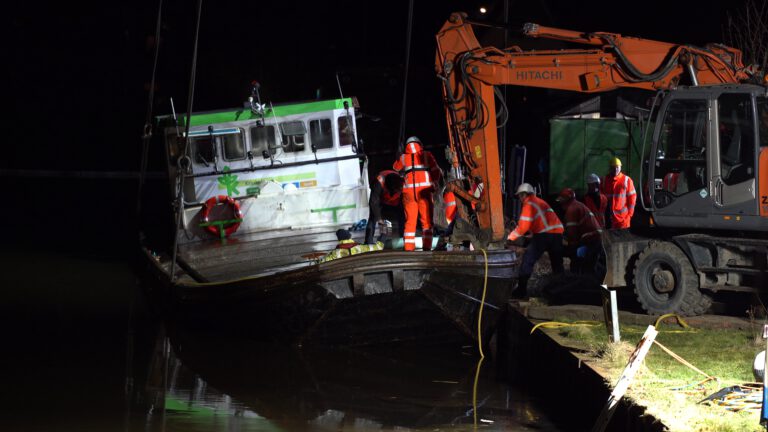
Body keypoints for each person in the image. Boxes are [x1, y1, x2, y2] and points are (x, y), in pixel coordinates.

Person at [507, 183, 564, 298]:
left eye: (519, 196)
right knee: (557, 264)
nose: (519, 199)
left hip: (544, 235)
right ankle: (562, 291)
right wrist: (533, 234)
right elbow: (541, 221)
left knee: (528, 259)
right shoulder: (540, 202)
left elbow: (522, 227)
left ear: (524, 195)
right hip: (557, 234)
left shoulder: (528, 204)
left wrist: (509, 238)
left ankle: (521, 291)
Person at [393, 136, 442, 251]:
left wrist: (398, 155)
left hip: (408, 193)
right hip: (424, 192)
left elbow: (395, 168)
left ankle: (409, 249)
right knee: (427, 223)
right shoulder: (426, 155)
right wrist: (434, 182)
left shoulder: (404, 157)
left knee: (410, 223)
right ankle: (427, 248)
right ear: (420, 144)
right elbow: (436, 171)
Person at [556, 187, 603, 276]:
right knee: (590, 267)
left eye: (561, 202)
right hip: (595, 239)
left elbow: (572, 235)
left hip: (591, 241)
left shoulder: (571, 210)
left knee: (582, 268)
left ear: (566, 201)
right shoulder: (577, 205)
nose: (560, 205)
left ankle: (585, 286)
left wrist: (567, 246)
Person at [364, 170, 404, 244]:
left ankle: (403, 238)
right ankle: (368, 242)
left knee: (403, 216)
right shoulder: (379, 182)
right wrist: (379, 218)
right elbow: (373, 202)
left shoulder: (401, 181)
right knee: (373, 218)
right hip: (380, 200)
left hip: (395, 202)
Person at [602, 157, 636, 230]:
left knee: (622, 240)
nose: (615, 169)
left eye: (617, 167)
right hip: (608, 218)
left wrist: (629, 215)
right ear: (610, 168)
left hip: (623, 219)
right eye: (613, 167)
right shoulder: (604, 180)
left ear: (620, 167)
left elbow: (632, 198)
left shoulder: (627, 180)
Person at [319, 229, 383, 263]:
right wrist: (381, 239)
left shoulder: (336, 252)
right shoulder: (360, 247)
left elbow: (323, 261)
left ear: (339, 239)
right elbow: (378, 247)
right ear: (349, 237)